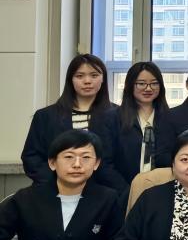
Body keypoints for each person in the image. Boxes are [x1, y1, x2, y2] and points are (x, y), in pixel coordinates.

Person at [0, 131, 122, 240]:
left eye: (86, 157)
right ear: (52, 163)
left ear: (96, 163)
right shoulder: (24, 199)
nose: (77, 164)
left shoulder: (108, 199)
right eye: (69, 157)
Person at [22, 53, 125, 191]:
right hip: (55, 191)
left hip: (107, 193)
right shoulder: (46, 116)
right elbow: (31, 157)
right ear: (70, 79)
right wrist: (59, 183)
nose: (87, 81)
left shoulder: (119, 115)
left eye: (94, 75)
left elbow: (123, 160)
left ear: (103, 79)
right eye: (80, 76)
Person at [111, 62, 170, 185]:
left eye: (154, 83)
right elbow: (105, 163)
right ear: (130, 85)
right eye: (141, 83)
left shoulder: (171, 118)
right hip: (123, 190)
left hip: (162, 189)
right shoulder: (113, 118)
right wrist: (128, 191)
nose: (148, 88)